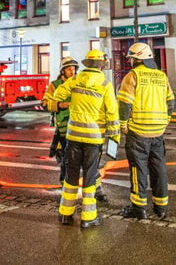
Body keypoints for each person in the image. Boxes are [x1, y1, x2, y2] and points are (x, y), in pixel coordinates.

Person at [52, 49, 120, 229]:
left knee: (71, 175)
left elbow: (58, 95)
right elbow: (113, 114)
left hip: (73, 135)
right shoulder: (105, 84)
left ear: (86, 64)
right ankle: (88, 217)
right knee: (90, 176)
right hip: (93, 137)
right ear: (101, 65)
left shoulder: (75, 79)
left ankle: (66, 214)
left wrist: (73, 101)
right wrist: (114, 136)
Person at [117, 42, 175, 221]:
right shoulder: (161, 76)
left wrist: (123, 125)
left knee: (138, 169)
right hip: (158, 132)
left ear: (137, 58)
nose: (130, 62)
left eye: (132, 58)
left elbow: (125, 104)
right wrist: (164, 121)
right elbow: (170, 102)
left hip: (138, 132)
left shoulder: (132, 76)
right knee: (159, 168)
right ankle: (161, 207)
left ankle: (139, 208)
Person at [41, 56, 80, 184]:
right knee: (65, 157)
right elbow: (45, 103)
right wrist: (59, 105)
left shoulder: (78, 83)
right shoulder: (55, 85)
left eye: (73, 69)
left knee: (76, 157)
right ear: (62, 71)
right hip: (63, 128)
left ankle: (71, 180)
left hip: (78, 125)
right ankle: (64, 181)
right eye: (68, 69)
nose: (72, 72)